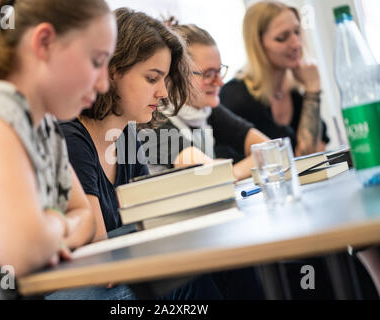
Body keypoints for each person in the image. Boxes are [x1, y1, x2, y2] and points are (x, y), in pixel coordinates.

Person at [0, 0, 116, 300]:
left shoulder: (44, 125)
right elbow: (22, 250)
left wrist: (48, 230)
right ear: (44, 42)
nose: (103, 83)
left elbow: (84, 216)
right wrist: (57, 224)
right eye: (97, 61)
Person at [46, 7, 223, 300]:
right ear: (112, 72)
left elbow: (141, 224)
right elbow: (99, 252)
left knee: (213, 268)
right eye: (152, 78)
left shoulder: (127, 133)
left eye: (164, 80)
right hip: (77, 285)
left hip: (111, 275)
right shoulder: (71, 136)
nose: (163, 93)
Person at [143, 19, 269, 181]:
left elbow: (269, 149)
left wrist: (233, 172)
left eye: (219, 71)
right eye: (208, 74)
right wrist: (228, 171)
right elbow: (210, 174)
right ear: (175, 75)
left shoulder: (204, 109)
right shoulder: (153, 117)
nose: (220, 82)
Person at [219, 1, 329, 157]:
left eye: (297, 32)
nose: (296, 43)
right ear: (258, 45)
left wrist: (312, 90)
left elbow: (313, 155)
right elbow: (303, 156)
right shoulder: (236, 97)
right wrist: (312, 89)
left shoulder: (295, 94)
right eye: (282, 38)